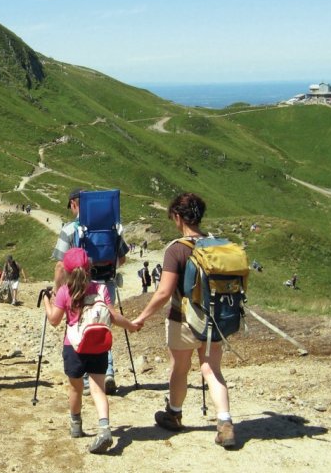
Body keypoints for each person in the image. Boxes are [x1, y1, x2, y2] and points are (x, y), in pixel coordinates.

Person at [131, 192, 237, 449]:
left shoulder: (177, 248)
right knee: (212, 369)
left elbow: (164, 292)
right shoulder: (216, 245)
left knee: (179, 368)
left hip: (184, 320)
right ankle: (225, 422)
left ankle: (174, 414)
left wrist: (141, 317)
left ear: (178, 217)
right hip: (216, 320)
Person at [43, 247, 138, 454]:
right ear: (89, 268)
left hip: (74, 346)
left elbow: (54, 320)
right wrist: (131, 325)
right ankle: (104, 428)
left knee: (76, 388)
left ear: (66, 271)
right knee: (98, 388)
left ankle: (76, 425)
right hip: (97, 344)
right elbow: (112, 316)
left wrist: (46, 303)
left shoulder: (64, 292)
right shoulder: (100, 289)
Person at [52, 188, 129, 395]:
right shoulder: (112, 228)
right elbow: (122, 259)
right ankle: (107, 372)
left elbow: (60, 265)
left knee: (79, 327)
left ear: (75, 204)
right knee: (102, 323)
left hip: (78, 286)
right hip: (106, 283)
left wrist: (57, 289)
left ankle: (86, 380)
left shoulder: (70, 230)